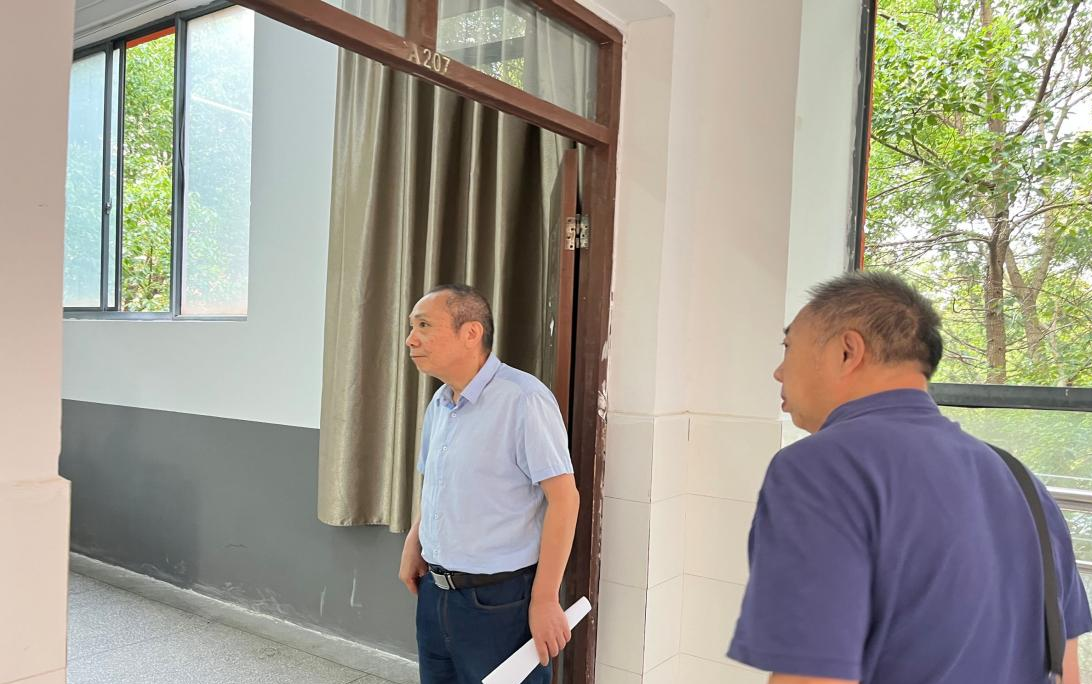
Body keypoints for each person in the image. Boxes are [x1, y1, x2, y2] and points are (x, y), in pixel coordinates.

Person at [728, 271, 1091, 684]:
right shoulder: (1019, 478)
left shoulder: (822, 467)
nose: (778, 372)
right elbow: (1067, 671)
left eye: (788, 347)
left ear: (847, 351)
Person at [397, 283, 580, 684]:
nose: (411, 339)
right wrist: (416, 539)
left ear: (471, 333)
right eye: (412, 327)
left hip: (499, 602)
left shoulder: (523, 399)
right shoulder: (440, 403)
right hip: (436, 593)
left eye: (424, 325)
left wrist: (545, 599)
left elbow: (565, 500)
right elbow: (438, 484)